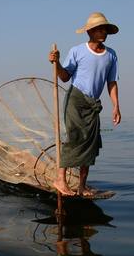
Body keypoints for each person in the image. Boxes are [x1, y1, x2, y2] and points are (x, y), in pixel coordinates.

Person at [48, 12, 121, 197]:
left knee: (90, 143)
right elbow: (64, 77)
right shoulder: (77, 51)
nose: (103, 32)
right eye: (99, 29)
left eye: (105, 29)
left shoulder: (111, 55)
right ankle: (61, 180)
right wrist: (56, 63)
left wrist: (116, 106)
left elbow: (111, 83)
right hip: (76, 100)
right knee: (74, 138)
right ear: (90, 32)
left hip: (92, 104)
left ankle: (82, 186)